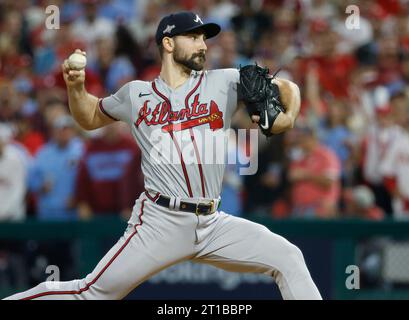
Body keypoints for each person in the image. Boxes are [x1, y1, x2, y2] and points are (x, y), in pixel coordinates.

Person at [4, 11, 321, 300]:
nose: (202, 45)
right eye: (193, 37)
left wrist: (288, 115)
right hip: (160, 221)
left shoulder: (225, 81)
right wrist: (76, 89)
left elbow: (287, 86)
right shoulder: (136, 94)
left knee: (287, 257)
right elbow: (89, 117)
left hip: (213, 222)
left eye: (203, 38)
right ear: (168, 43)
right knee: (92, 293)